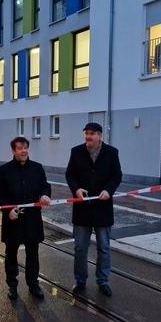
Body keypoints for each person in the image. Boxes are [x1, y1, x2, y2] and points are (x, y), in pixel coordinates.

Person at [65, 123, 122, 297]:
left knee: (104, 248)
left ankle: (103, 281)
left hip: (103, 208)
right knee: (80, 248)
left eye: (91, 134)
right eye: (86, 134)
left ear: (99, 135)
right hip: (82, 209)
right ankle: (80, 281)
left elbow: (117, 175)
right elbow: (70, 174)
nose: (87, 137)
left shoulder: (112, 152)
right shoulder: (76, 151)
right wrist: (76, 189)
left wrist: (109, 190)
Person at [0, 137, 51, 300]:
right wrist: (8, 210)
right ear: (13, 151)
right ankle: (12, 285)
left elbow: (45, 185)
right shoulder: (4, 169)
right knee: (11, 254)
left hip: (32, 219)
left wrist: (45, 194)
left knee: (33, 254)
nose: (24, 151)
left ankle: (33, 284)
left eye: (26, 148)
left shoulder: (37, 168)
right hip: (13, 219)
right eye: (20, 148)